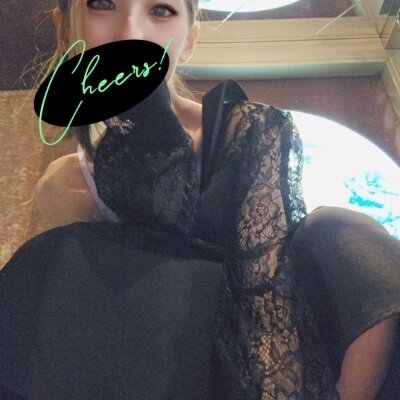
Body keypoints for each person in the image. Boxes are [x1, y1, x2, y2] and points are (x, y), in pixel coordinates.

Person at [0, 1, 399, 399]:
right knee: (52, 260)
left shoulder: (248, 128)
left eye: (161, 10)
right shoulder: (65, 188)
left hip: (265, 363)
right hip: (146, 369)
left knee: (338, 230)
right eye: (102, 4)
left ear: (189, 40)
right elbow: (78, 342)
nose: (130, 31)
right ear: (65, 28)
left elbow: (265, 301)